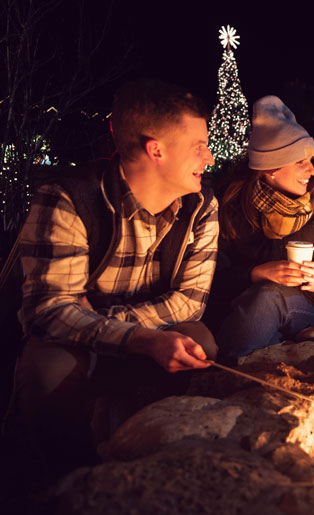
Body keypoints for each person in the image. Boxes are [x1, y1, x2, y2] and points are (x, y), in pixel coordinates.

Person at [13, 79, 219, 459]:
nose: (208, 158)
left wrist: (116, 325)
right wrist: (141, 338)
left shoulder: (200, 206)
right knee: (48, 369)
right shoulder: (71, 199)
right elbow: (49, 311)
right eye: (198, 147)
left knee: (198, 342)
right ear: (156, 150)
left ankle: (160, 455)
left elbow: (190, 302)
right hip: (79, 344)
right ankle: (67, 475)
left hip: (136, 333)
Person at [213, 96, 314, 363]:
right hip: (241, 308)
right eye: (301, 162)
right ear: (271, 168)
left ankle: (226, 372)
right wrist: (255, 274)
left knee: (269, 297)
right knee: (263, 297)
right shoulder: (230, 208)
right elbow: (211, 278)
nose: (312, 170)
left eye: (311, 161)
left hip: (306, 308)